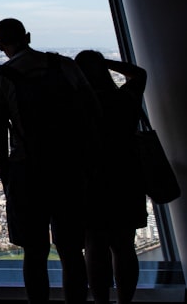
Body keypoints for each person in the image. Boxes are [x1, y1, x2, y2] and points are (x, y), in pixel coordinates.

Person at [0, 18, 101, 304]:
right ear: (28, 36)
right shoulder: (65, 65)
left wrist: (5, 171)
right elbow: (92, 113)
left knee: (34, 253)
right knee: (72, 250)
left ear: (0, 46)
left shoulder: (2, 76)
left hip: (27, 171)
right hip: (69, 168)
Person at [74, 50, 147, 304]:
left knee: (94, 247)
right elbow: (139, 74)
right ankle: (125, 301)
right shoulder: (125, 98)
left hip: (91, 180)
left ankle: (101, 301)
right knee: (125, 246)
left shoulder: (77, 106)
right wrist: (103, 62)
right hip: (126, 177)